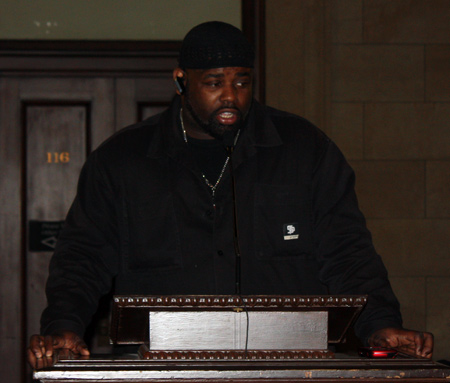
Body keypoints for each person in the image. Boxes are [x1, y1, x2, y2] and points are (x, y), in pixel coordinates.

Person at [27, 21, 433, 366]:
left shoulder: (303, 150)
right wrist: (63, 325)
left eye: (241, 81)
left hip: (286, 364)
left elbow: (347, 249)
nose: (230, 97)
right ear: (181, 81)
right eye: (213, 83)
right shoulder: (123, 160)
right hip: (167, 364)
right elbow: (83, 255)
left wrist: (379, 322)